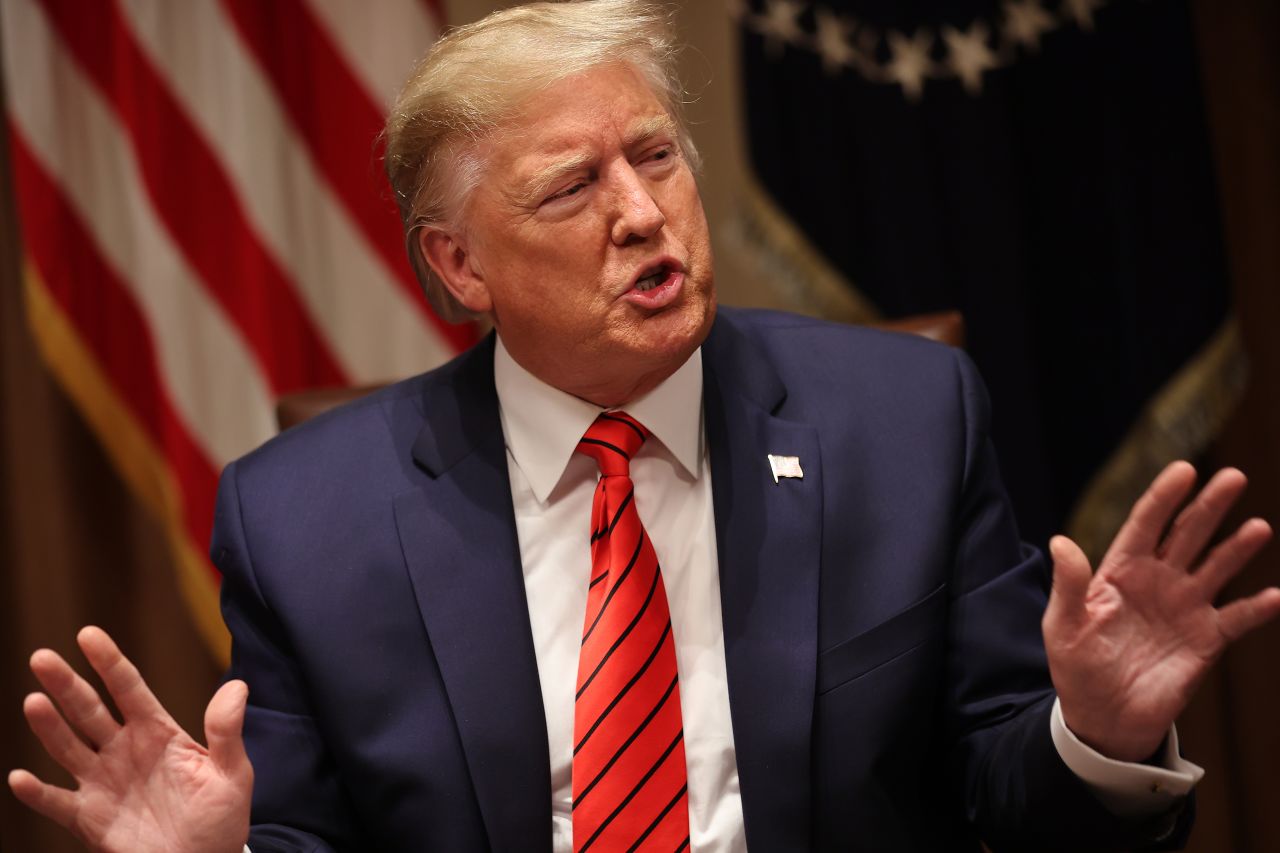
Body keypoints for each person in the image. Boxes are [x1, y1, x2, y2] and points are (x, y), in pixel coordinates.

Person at [9, 1, 1280, 851]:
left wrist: (1098, 733)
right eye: (571, 187)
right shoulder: (303, 519)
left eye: (656, 156)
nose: (640, 212)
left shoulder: (899, 421)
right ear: (460, 267)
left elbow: (1004, 797)